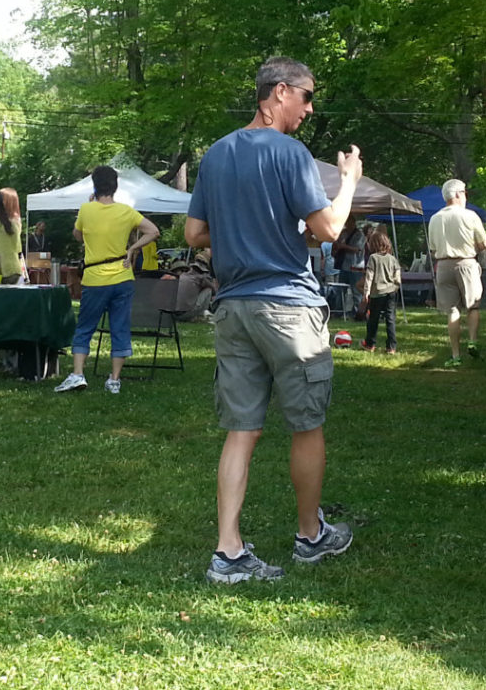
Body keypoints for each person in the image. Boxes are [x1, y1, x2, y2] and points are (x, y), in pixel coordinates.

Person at [186, 56, 359, 583]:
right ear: (279, 92)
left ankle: (228, 552)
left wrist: (248, 231)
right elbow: (328, 228)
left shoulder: (215, 154)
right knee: (306, 424)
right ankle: (311, 536)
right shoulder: (291, 152)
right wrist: (349, 180)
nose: (309, 108)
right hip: (288, 306)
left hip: (234, 307)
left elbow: (194, 235)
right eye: (306, 97)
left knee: (241, 431)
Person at [54, 166, 159, 394]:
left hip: (94, 277)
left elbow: (78, 235)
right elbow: (153, 231)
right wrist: (132, 249)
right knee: (120, 327)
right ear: (115, 187)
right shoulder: (127, 211)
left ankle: (78, 374)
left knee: (85, 327)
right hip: (122, 276)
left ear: (94, 185)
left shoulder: (86, 209)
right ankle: (114, 380)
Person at [426, 178, 486, 367]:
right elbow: (483, 244)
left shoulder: (435, 218)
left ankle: (455, 355)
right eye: (463, 192)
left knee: (452, 310)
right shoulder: (469, 215)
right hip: (466, 263)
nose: (465, 196)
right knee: (473, 306)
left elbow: (432, 248)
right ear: (456, 194)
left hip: (443, 266)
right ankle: (472, 341)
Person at [359, 229, 400, 353]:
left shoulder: (373, 258)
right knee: (390, 318)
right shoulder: (392, 258)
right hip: (391, 292)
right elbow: (397, 275)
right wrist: (395, 286)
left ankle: (370, 344)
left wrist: (366, 292)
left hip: (377, 293)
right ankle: (391, 347)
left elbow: (369, 276)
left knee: (373, 319)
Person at [332, 221, 366, 293]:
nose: (346, 224)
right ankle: (340, 304)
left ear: (353, 223)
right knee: (340, 291)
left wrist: (343, 247)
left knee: (356, 291)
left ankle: (357, 304)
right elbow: (336, 245)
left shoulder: (359, 235)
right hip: (343, 265)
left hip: (356, 266)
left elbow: (357, 249)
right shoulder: (343, 233)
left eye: (348, 222)